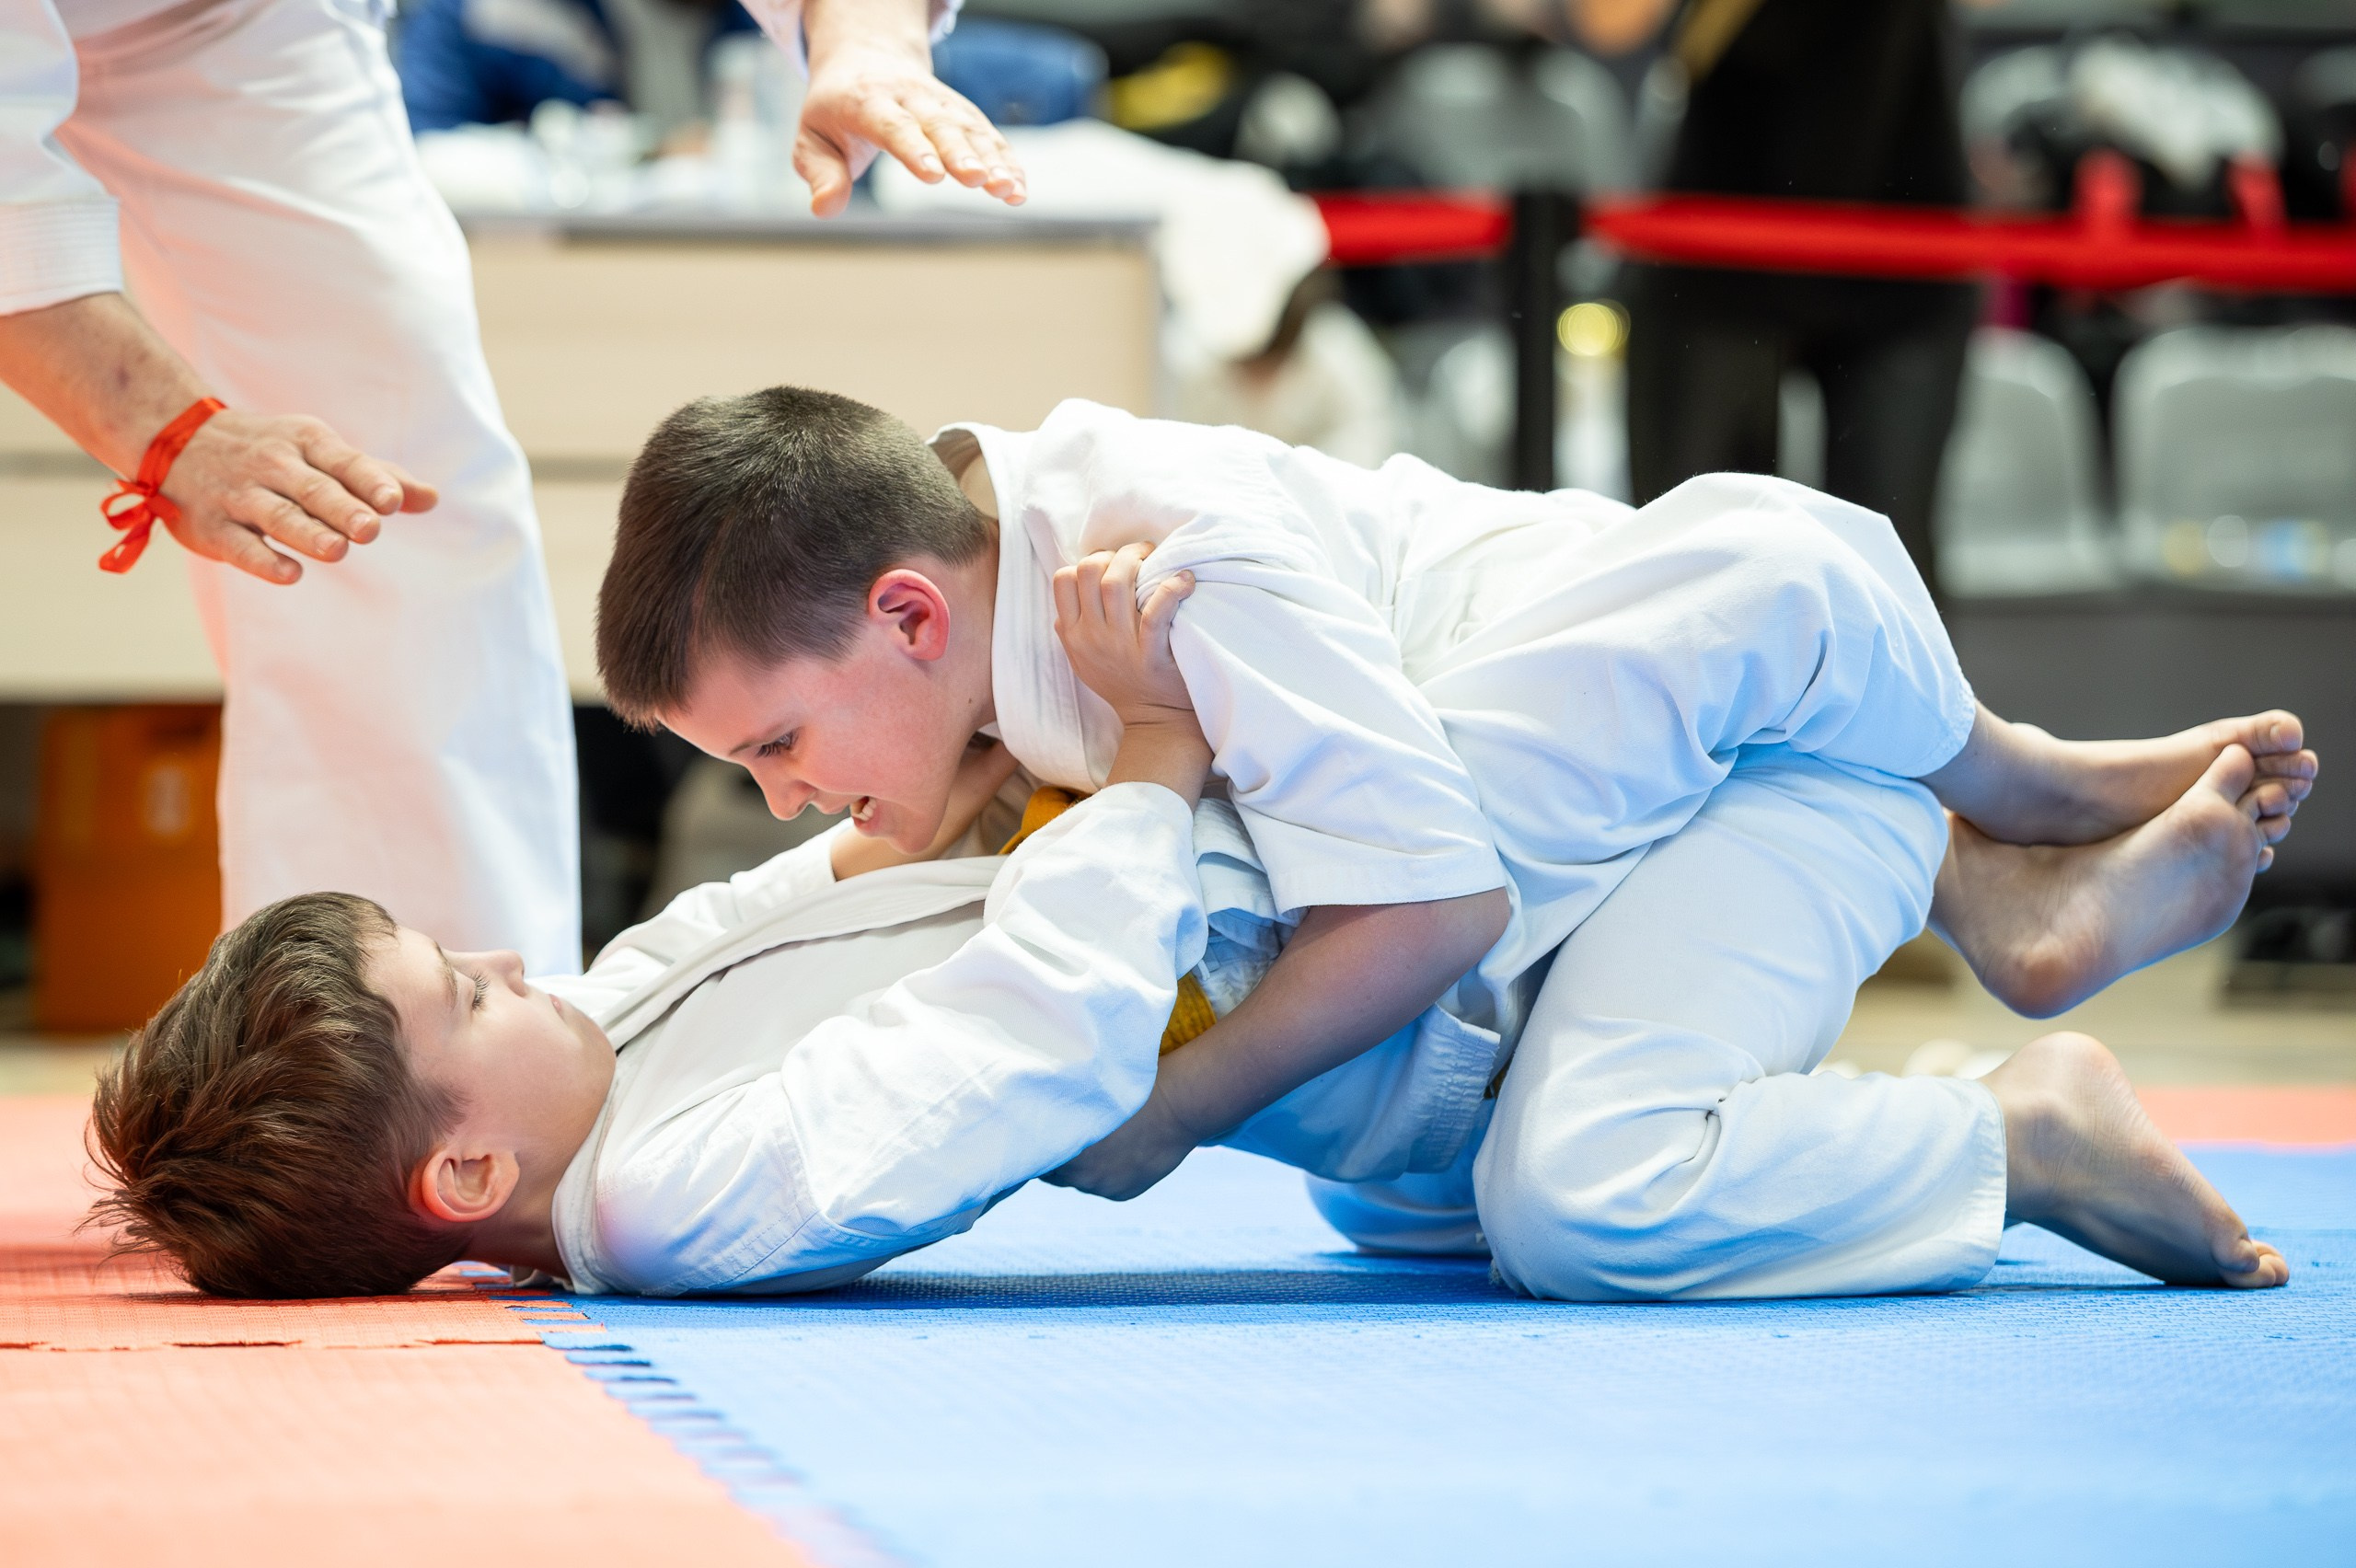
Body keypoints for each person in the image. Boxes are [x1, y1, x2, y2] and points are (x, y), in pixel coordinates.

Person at [87, 554, 2290, 1300]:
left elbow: (807, 884)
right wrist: (1137, 749)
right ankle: (2011, 1101)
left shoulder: (612, 1032)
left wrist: (947, 758)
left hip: (1436, 945)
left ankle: (1973, 829)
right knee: (1563, 1200)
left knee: (1539, 1174)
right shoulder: (670, 1193)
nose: (504, 955)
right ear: (465, 1168)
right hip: (1425, 964)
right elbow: (1041, 1028)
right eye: (456, 988)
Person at [0, 0, 1024, 974]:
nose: (786, 798)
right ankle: (366, 1050)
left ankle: (458, 1033)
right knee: (350, 511)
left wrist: (864, 39)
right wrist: (167, 432)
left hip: (249, 27)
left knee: (410, 509)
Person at [1573, 0, 1982, 590]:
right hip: (1720, 238)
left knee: (1889, 569)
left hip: (1903, 230)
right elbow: (1608, 24)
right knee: (1695, 560)